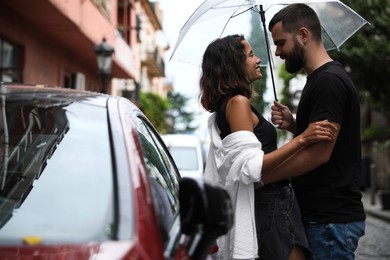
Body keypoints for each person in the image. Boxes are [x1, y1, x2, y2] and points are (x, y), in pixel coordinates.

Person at [199, 34, 337, 260]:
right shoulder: (238, 103)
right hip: (272, 205)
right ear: (234, 64)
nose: (258, 60)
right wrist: (302, 138)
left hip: (271, 205)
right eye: (251, 55)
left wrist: (291, 125)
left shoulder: (231, 104)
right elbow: (252, 168)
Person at [264, 3, 366, 260]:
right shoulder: (320, 80)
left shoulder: (328, 82)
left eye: (280, 43)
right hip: (324, 219)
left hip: (328, 221)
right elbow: (326, 138)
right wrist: (294, 124)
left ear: (303, 35)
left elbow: (320, 153)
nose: (277, 52)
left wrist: (265, 176)